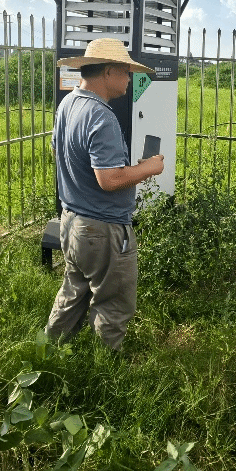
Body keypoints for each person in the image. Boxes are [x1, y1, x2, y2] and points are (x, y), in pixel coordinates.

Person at [45, 38, 164, 351]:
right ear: (109, 72)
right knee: (113, 304)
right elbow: (110, 180)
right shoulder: (101, 116)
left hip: (72, 221)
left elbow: (57, 150)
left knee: (73, 293)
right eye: (126, 72)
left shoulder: (68, 104)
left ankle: (48, 351)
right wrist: (148, 168)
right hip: (103, 228)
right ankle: (106, 368)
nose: (129, 80)